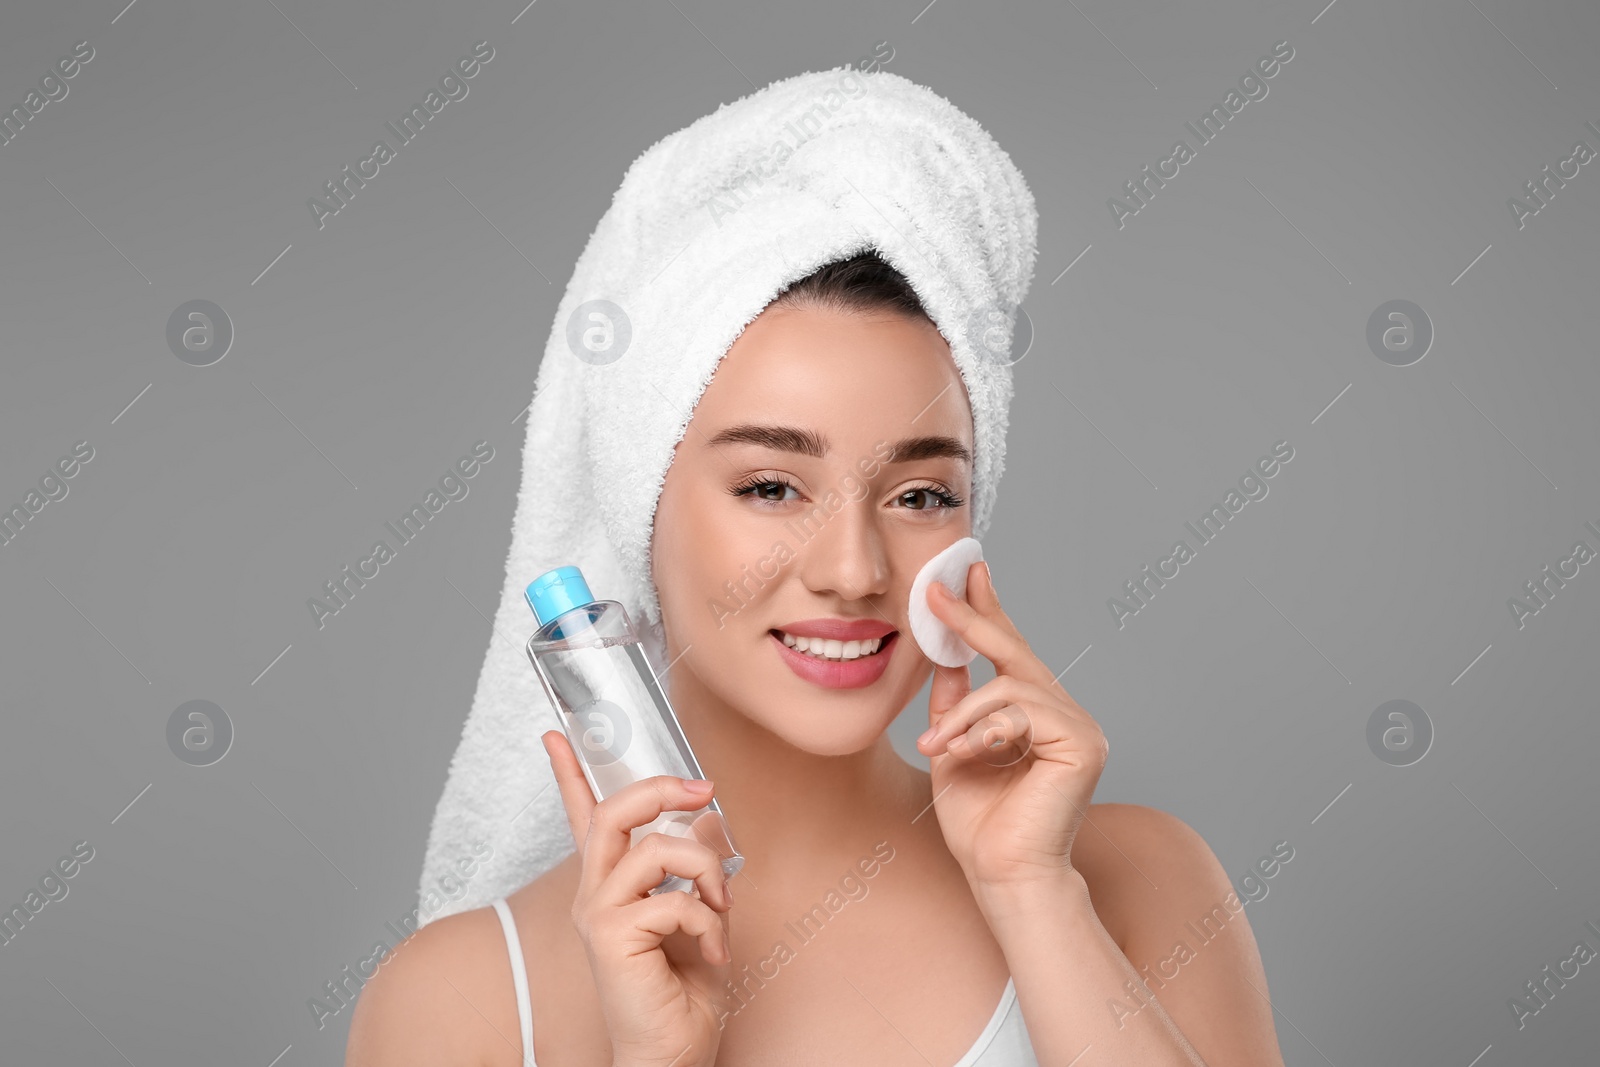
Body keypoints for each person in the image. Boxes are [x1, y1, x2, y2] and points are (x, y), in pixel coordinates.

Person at [345, 250, 1286, 1066]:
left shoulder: (1132, 879)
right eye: (770, 485)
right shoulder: (458, 998)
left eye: (920, 495)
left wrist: (1034, 897)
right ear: (641, 509)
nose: (854, 570)